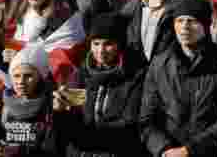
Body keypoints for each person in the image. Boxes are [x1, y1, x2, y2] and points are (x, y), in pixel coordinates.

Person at [140, 0, 217, 157]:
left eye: (192, 21)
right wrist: (163, 149)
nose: (185, 27)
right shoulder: (159, 64)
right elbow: (147, 119)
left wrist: (189, 150)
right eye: (179, 21)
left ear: (206, 25)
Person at [52, 13, 147, 157]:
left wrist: (82, 137)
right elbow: (68, 128)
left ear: (119, 44)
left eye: (108, 44)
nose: (101, 50)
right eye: (96, 43)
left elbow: (129, 127)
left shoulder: (135, 75)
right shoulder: (81, 74)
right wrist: (60, 111)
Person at [0, 44, 60, 157]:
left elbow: (54, 147)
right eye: (16, 76)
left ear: (40, 77)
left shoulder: (53, 105)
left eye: (28, 76)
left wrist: (17, 151)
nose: (21, 81)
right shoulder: (2, 104)